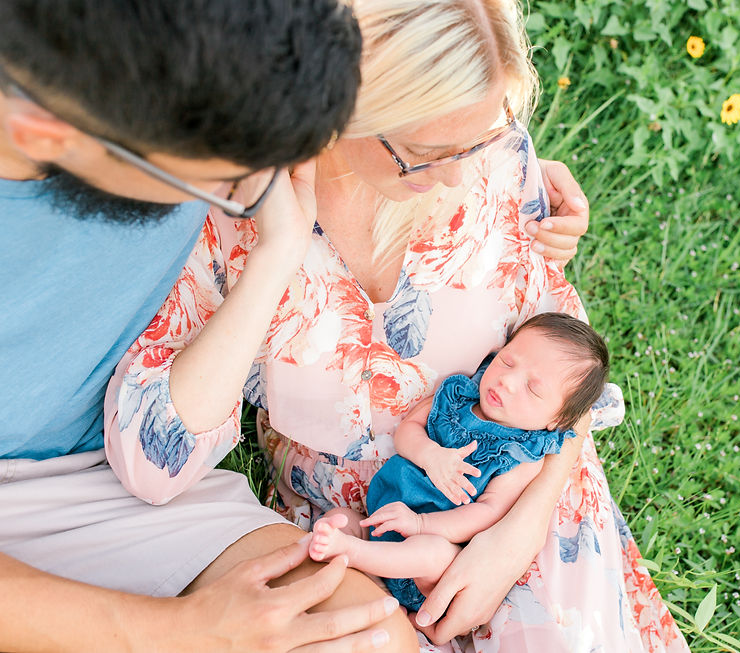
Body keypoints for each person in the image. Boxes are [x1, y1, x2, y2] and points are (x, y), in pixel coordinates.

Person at [105, 0, 688, 651]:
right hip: (358, 532)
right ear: (339, 109)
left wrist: (513, 532)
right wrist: (276, 255)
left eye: (480, 140)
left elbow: (567, 368)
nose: (464, 175)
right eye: (426, 153)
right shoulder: (228, 213)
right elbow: (152, 466)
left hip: (522, 494)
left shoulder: (492, 161)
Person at [0, 1, 423, 650]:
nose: (245, 192)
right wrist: (174, 631)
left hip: (104, 481)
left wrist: (501, 161)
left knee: (363, 637)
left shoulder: (190, 73)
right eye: (223, 182)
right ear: (43, 132)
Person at [308, 312, 609, 613]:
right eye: (506, 361)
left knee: (432, 553)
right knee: (342, 518)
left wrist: (421, 524)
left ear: (556, 419)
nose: (507, 381)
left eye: (533, 389)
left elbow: (487, 511)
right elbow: (408, 430)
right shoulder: (457, 398)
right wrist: (430, 455)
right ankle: (346, 553)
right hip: (378, 518)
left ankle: (354, 554)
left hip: (427, 563)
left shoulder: (522, 457)